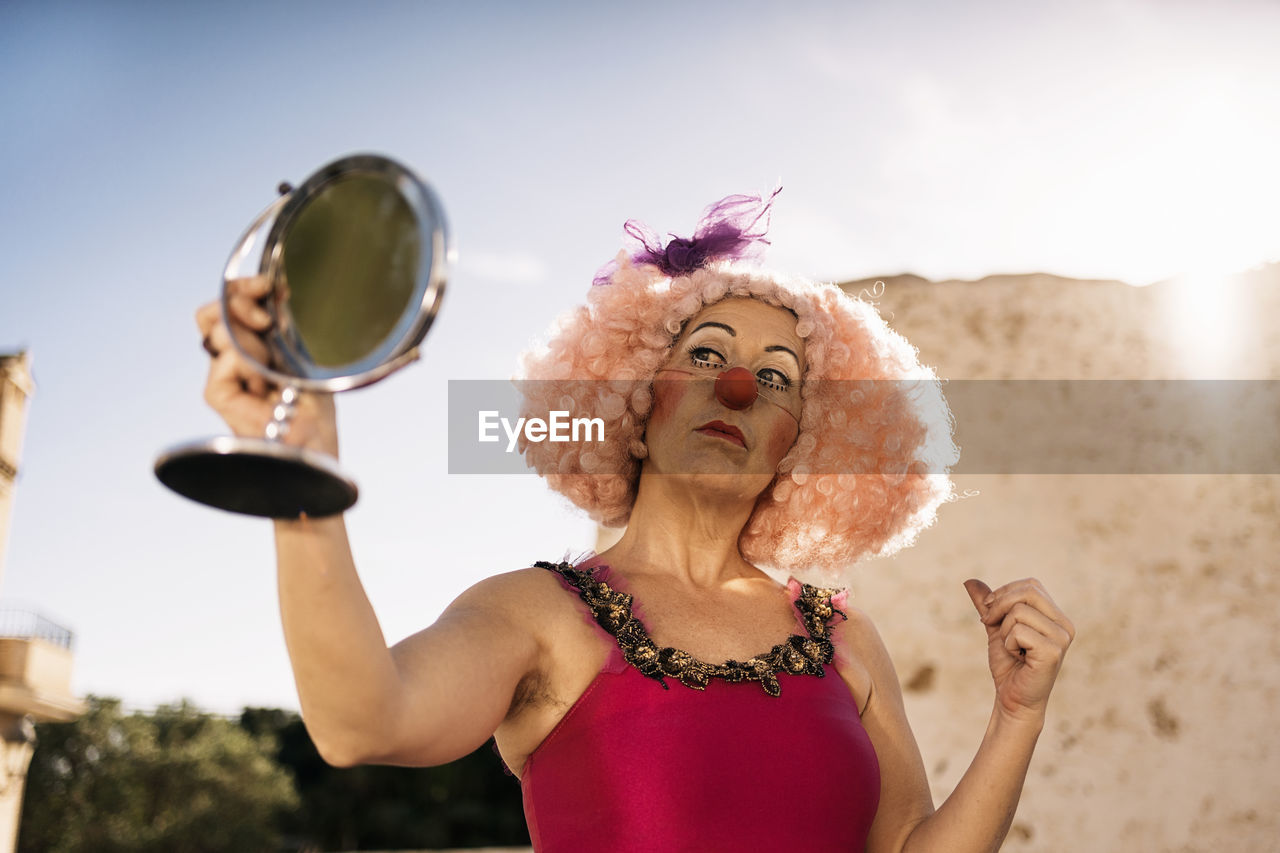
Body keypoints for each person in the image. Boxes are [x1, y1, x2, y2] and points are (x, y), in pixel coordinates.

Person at [196, 190, 1075, 852]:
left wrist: (1016, 716)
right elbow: (361, 720)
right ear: (635, 395)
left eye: (777, 376)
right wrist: (303, 475)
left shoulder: (846, 637)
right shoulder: (533, 613)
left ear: (799, 441)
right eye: (705, 355)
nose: (739, 385)